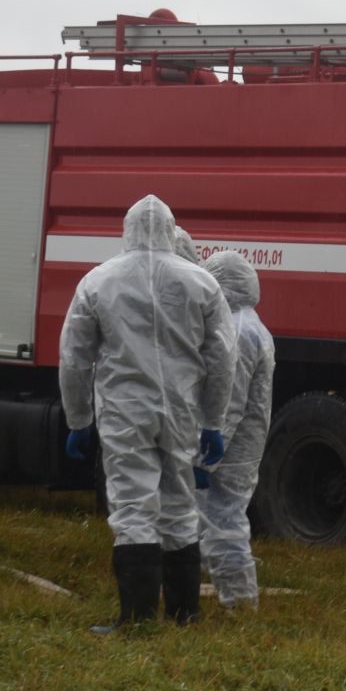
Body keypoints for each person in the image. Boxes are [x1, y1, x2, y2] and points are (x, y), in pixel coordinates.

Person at [59, 195, 236, 629]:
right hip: (181, 409)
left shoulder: (99, 280)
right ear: (171, 228)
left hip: (125, 408)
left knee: (133, 503)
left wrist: (79, 418)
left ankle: (136, 618)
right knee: (179, 502)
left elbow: (74, 357)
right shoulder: (201, 282)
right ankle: (184, 613)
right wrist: (213, 420)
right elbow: (222, 358)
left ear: (128, 228)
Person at [194, 250, 275, 609]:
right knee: (216, 518)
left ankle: (240, 605)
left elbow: (230, 401)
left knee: (224, 523)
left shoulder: (239, 331)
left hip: (232, 448)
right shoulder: (250, 324)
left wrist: (207, 455)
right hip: (242, 444)